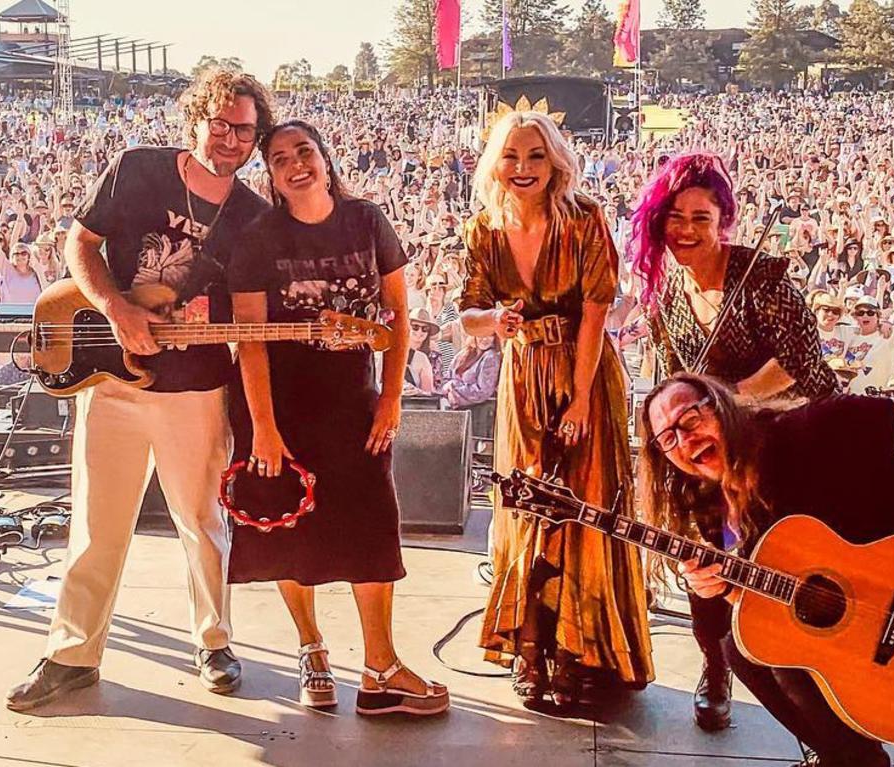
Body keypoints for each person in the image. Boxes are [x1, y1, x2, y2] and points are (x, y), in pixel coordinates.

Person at [6, 68, 275, 712]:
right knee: (97, 526)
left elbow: (245, 320)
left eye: (247, 128)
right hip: (112, 382)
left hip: (196, 390)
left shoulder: (252, 217)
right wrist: (116, 310)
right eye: (222, 124)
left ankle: (215, 641)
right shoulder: (138, 169)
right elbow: (81, 243)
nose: (234, 138)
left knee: (202, 522)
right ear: (196, 118)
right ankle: (72, 655)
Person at [641, 372, 894, 767]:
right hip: (867, 616)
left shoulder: (815, 429)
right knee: (747, 646)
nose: (685, 440)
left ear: (721, 407)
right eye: (668, 438)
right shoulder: (711, 505)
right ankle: (849, 758)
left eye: (689, 419)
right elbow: (766, 596)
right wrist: (719, 586)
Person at [226, 119, 448, 716]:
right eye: (279, 158)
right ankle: (311, 649)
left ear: (325, 159)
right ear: (268, 174)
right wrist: (263, 428)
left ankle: (380, 669)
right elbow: (250, 341)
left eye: (305, 152)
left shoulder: (366, 220)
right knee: (286, 528)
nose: (296, 164)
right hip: (278, 404)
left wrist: (392, 396)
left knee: (372, 528)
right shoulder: (257, 238)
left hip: (354, 400)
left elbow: (399, 317)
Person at [630, 152, 837, 732]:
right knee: (705, 552)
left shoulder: (763, 279)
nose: (687, 231)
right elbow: (676, 379)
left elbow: (798, 363)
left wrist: (727, 406)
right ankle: (715, 664)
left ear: (724, 220)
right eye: (675, 217)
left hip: (790, 434)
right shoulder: (664, 293)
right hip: (716, 446)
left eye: (702, 217)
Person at [460, 110, 654, 707]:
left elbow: (596, 313)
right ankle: (529, 647)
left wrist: (577, 400)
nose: (523, 169)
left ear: (556, 163)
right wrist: (497, 320)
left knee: (585, 510)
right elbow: (468, 315)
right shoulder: (484, 230)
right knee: (524, 510)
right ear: (496, 162)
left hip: (585, 372)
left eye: (536, 156)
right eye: (512, 156)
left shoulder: (585, 219)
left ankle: (579, 651)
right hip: (521, 379)